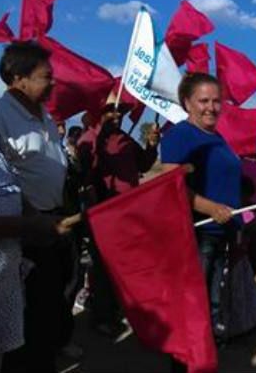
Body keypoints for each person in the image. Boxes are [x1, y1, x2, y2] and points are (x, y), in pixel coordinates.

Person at [0, 41, 72, 372]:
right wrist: (31, 222)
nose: (53, 83)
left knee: (51, 306)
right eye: (46, 77)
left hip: (50, 223)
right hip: (20, 236)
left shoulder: (44, 115)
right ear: (17, 77)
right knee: (26, 318)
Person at [160, 73, 241, 348]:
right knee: (192, 306)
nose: (211, 107)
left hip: (221, 233)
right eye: (203, 100)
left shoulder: (217, 137)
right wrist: (211, 208)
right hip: (197, 235)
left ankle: (203, 357)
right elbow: (173, 186)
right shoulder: (179, 136)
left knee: (211, 304)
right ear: (187, 103)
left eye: (216, 101)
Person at [77, 93, 159, 338]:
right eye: (110, 110)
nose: (117, 115)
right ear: (98, 113)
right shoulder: (89, 139)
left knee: (123, 266)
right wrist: (97, 149)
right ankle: (102, 316)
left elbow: (143, 165)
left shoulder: (125, 139)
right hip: (104, 214)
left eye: (120, 111)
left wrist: (151, 145)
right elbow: (84, 177)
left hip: (129, 214)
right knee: (103, 268)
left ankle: (115, 310)